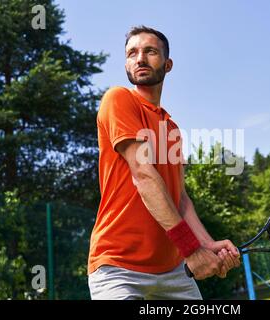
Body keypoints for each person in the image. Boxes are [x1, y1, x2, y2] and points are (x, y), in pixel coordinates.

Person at [87, 25, 240, 300]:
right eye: (132, 53)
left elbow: (180, 199)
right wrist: (193, 250)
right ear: (125, 63)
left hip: (173, 271)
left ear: (167, 64)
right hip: (118, 267)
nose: (140, 58)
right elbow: (143, 175)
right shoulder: (118, 99)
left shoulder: (172, 129)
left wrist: (206, 243)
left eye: (150, 51)